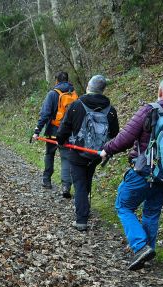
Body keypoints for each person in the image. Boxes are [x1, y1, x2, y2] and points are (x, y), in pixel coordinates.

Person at [100, 76, 163, 271]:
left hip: (145, 173)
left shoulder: (150, 110)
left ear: (160, 91)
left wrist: (107, 149)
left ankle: (140, 246)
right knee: (152, 211)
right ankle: (147, 251)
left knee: (124, 205)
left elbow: (125, 138)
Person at [56, 75, 119, 231]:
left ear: (88, 87)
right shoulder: (111, 110)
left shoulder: (76, 105)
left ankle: (81, 219)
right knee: (86, 178)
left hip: (78, 152)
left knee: (79, 184)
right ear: (103, 90)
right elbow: (115, 133)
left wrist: (61, 141)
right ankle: (85, 207)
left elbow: (63, 129)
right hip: (97, 153)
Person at [32, 71, 77, 197]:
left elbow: (45, 114)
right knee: (66, 158)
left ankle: (46, 180)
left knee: (50, 154)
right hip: (68, 133)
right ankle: (66, 187)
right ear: (67, 80)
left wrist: (37, 130)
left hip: (53, 131)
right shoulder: (73, 93)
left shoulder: (52, 94)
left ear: (56, 80)